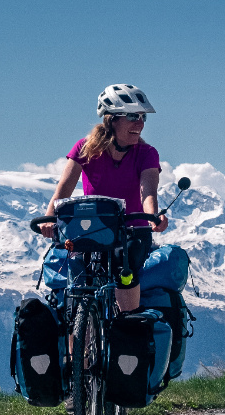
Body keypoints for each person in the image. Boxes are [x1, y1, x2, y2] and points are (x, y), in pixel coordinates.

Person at [40, 84, 168, 313]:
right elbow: (64, 189)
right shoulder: (85, 148)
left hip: (133, 231)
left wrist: (153, 216)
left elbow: (147, 190)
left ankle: (128, 328)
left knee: (123, 263)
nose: (139, 123)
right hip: (92, 229)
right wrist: (49, 218)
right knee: (78, 279)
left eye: (142, 117)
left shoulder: (147, 154)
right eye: (132, 116)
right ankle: (78, 342)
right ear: (111, 120)